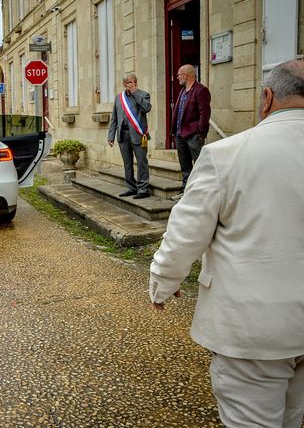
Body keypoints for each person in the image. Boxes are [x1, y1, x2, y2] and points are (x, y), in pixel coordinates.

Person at [149, 59, 304, 427]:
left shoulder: (226, 155)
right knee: (293, 415)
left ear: (266, 97)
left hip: (254, 330)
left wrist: (163, 283)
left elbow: (186, 233)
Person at [107, 73, 152, 199]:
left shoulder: (144, 95)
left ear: (136, 82)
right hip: (123, 134)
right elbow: (114, 118)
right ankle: (131, 187)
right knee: (127, 163)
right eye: (128, 82)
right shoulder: (119, 98)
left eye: (133, 82)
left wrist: (135, 92)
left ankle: (143, 189)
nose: (131, 84)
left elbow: (147, 108)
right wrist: (111, 135)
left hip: (138, 134)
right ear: (124, 84)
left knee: (142, 162)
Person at [171, 64, 211, 199]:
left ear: (186, 75)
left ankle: (203, 193)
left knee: (200, 165)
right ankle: (186, 192)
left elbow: (205, 113)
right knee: (185, 166)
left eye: (179, 75)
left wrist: (201, 133)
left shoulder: (201, 90)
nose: (177, 78)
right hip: (179, 134)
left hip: (193, 135)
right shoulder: (182, 91)